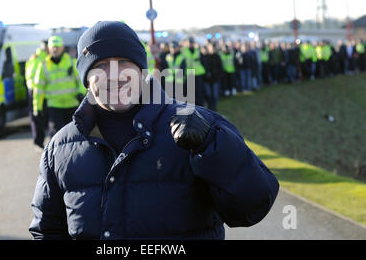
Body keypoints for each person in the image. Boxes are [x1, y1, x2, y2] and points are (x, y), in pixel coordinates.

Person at [29, 21, 279, 240]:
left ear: (142, 70)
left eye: (124, 62)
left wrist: (212, 147)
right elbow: (47, 230)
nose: (114, 75)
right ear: (85, 77)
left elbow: (253, 206)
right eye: (101, 65)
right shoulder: (60, 148)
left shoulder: (202, 125)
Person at [33, 35, 86, 139]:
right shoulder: (43, 66)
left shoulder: (72, 62)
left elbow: (81, 80)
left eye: (57, 46)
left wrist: (81, 93)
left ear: (62, 47)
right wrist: (37, 108)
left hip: (72, 104)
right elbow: (38, 89)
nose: (55, 49)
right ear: (48, 48)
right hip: (54, 106)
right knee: (57, 134)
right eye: (53, 47)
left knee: (75, 133)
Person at [25, 41, 49, 150]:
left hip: (40, 90)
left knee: (39, 118)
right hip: (38, 90)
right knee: (38, 117)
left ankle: (40, 142)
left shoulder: (35, 58)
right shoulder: (41, 59)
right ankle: (39, 142)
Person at [201, 41, 223, 111]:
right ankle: (210, 109)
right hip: (207, 80)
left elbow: (220, 68)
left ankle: (214, 109)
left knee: (215, 95)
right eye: (211, 47)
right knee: (209, 95)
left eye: (213, 47)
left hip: (215, 79)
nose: (212, 49)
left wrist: (218, 76)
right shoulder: (204, 57)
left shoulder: (217, 56)